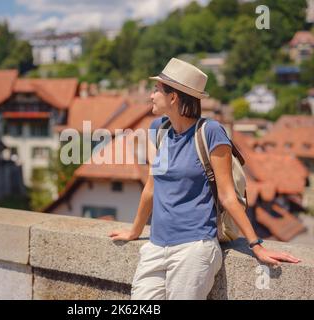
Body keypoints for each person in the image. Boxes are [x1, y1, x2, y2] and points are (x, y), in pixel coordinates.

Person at [108, 58, 301, 300]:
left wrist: (257, 246)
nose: (151, 95)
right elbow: (151, 187)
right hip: (156, 246)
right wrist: (134, 231)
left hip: (194, 248)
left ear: (173, 98)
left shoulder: (210, 132)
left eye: (157, 90)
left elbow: (228, 195)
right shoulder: (158, 130)